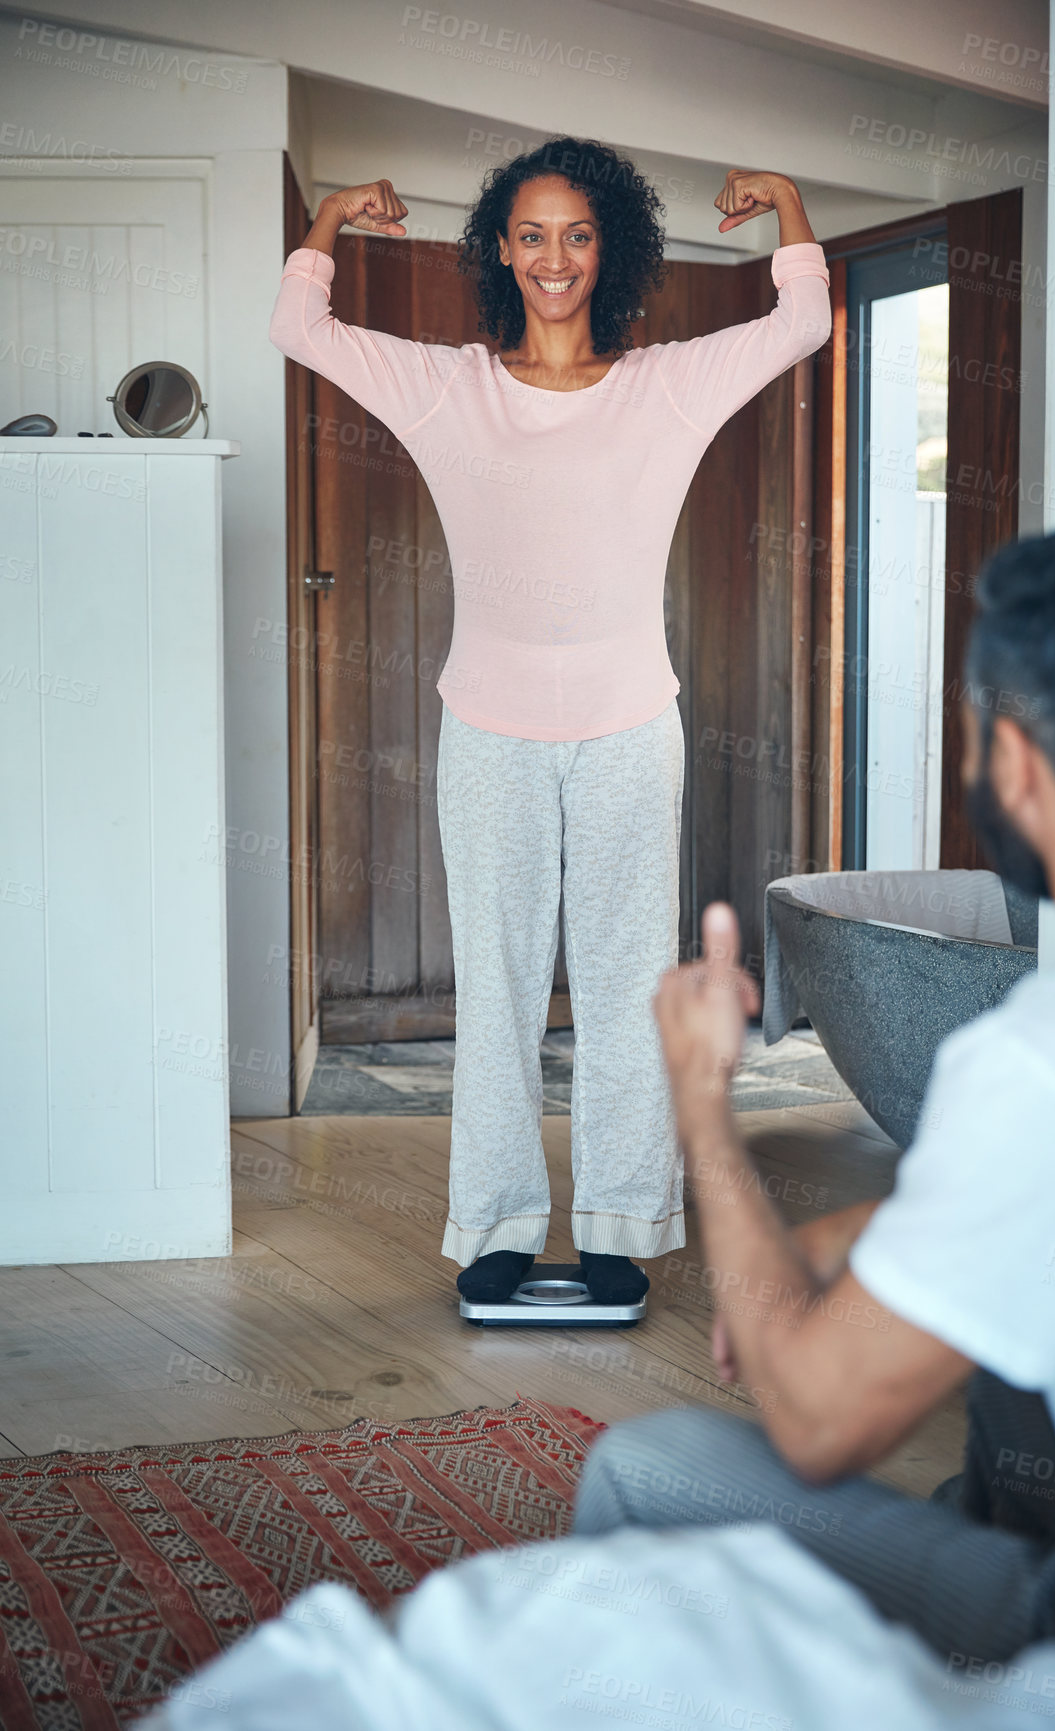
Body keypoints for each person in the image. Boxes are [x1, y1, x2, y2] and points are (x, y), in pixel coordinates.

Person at [572, 514, 1055, 1673]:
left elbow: (814, 1416)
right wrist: (848, 1236)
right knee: (1010, 1389)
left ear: (1016, 765)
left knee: (639, 1476)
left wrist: (700, 1101)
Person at [268, 137, 831, 1305]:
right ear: (499, 252)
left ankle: (622, 1220)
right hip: (486, 732)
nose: (554, 257)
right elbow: (301, 334)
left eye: (577, 234)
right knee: (501, 986)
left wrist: (785, 206)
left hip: (632, 729)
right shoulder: (448, 388)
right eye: (530, 234)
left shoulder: (662, 387)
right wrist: (323, 222)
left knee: (630, 987)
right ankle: (499, 1225)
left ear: (609, 247)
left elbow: (800, 325)